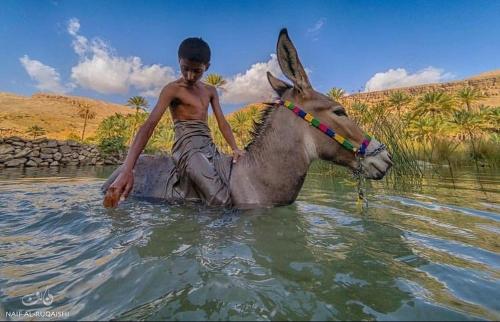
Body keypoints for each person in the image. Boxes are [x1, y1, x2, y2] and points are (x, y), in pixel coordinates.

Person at [103, 37, 245, 208]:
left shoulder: (210, 91)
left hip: (210, 147)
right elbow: (149, 126)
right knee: (221, 199)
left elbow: (222, 122)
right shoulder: (172, 90)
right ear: (179, 62)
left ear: (207, 67)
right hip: (187, 150)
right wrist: (127, 169)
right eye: (185, 69)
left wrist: (235, 147)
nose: (190, 76)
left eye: (197, 71)